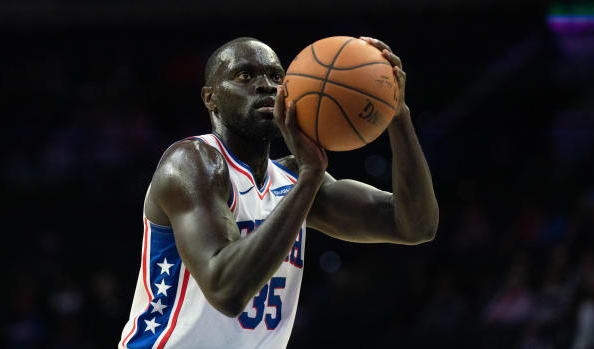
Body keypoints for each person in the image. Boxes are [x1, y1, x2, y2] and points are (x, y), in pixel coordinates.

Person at [118, 36, 439, 349]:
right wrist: (311, 177)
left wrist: (398, 116)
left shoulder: (292, 178)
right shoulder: (192, 162)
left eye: (276, 76)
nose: (266, 85)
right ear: (210, 98)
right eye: (245, 75)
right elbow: (226, 290)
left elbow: (415, 226)